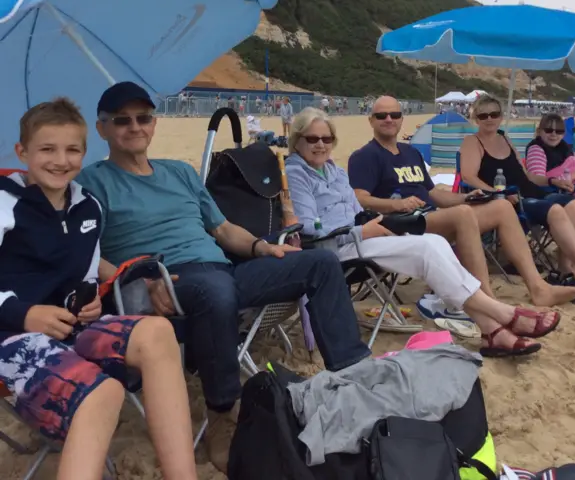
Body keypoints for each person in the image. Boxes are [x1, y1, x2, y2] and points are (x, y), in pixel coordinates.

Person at [75, 82, 370, 474]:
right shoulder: (92, 183)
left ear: (154, 123)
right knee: (214, 289)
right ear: (102, 129)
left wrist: (261, 248)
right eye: (121, 120)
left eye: (143, 118)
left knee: (319, 263)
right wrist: (134, 278)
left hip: (223, 273)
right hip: (163, 281)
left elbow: (223, 230)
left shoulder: (179, 173)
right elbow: (87, 253)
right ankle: (221, 411)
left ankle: (353, 374)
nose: (134, 127)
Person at [0, 99, 198, 480]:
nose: (61, 160)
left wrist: (90, 297)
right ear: (22, 152)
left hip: (71, 330)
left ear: (84, 153)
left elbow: (86, 273)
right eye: (47, 149)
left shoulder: (87, 206)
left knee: (158, 332)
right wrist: (23, 313)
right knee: (103, 393)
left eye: (72, 149)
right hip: (11, 335)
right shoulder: (6, 203)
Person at [286, 108, 562, 359]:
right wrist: (362, 229)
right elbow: (309, 227)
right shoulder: (296, 172)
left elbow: (357, 207)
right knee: (426, 249)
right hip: (336, 251)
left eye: (326, 138)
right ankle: (505, 315)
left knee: (434, 242)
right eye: (312, 139)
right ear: (297, 140)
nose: (321, 144)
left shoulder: (334, 170)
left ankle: (492, 330)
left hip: (366, 235)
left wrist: (375, 224)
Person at [348, 96, 575, 306]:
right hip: (399, 224)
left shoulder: (411, 153)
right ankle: (486, 298)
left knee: (500, 206)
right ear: (371, 120)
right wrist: (396, 205)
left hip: (429, 217)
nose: (389, 119)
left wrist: (465, 197)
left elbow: (433, 193)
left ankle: (538, 288)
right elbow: (360, 198)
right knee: (462, 214)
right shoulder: (365, 156)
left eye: (395, 114)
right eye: (382, 115)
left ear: (401, 119)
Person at [459, 95, 575, 292]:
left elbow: (527, 175)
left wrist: (552, 181)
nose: (489, 119)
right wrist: (496, 194)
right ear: (476, 118)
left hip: (530, 191)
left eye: (494, 114)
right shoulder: (472, 142)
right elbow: (468, 177)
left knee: (574, 204)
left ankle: (565, 267)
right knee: (554, 210)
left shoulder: (505, 139)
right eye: (483, 115)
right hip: (510, 200)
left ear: (501, 116)